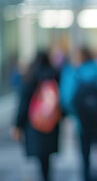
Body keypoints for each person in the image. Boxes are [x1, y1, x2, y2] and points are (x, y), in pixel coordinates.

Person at [60, 46, 97, 181]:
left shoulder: (74, 73)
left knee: (84, 153)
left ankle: (87, 176)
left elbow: (67, 98)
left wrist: (75, 112)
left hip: (82, 123)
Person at [12, 50, 61, 181]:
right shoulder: (55, 74)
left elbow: (23, 103)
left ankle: (44, 176)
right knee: (48, 155)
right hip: (52, 122)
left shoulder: (29, 76)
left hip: (34, 122)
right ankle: (47, 175)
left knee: (40, 154)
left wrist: (17, 124)